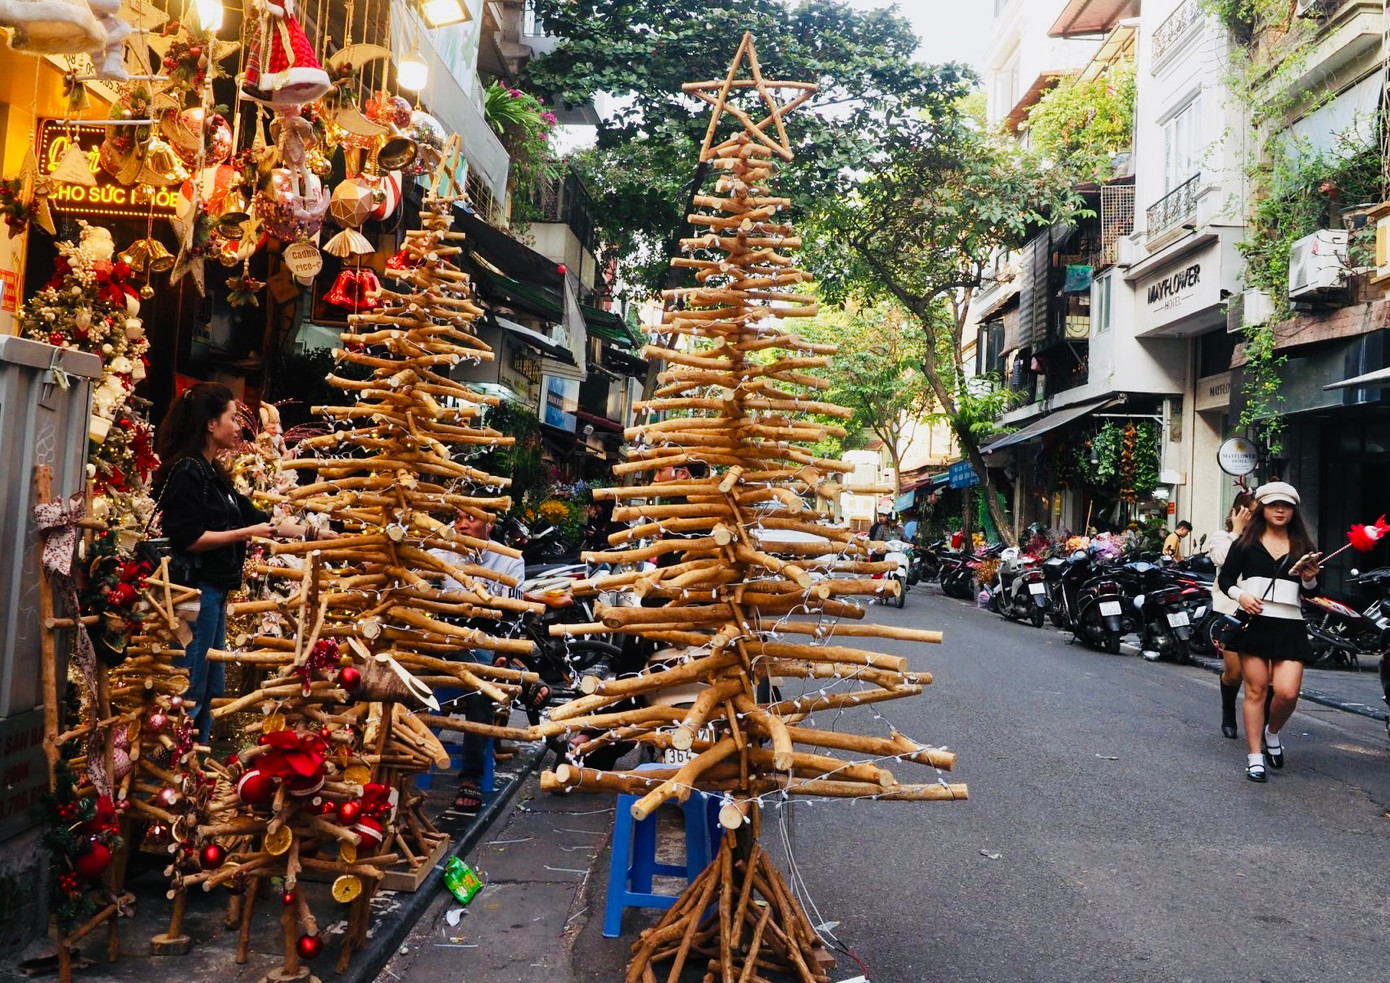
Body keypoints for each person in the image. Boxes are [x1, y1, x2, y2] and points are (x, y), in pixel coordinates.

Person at [153, 383, 318, 744]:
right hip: (193, 594)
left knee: (209, 684)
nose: (238, 426)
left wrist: (313, 535)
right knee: (192, 684)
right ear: (211, 424)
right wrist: (243, 533)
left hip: (214, 592)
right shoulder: (188, 472)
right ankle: (181, 765)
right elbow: (189, 538)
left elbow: (262, 519)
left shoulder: (215, 475)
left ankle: (196, 767)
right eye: (232, 418)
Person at [1216, 481, 1322, 782]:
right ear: (1262, 508)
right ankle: (1255, 757)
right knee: (1256, 690)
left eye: (1286, 506)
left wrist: (1311, 580)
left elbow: (1313, 594)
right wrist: (1241, 596)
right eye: (1274, 504)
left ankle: (1272, 732)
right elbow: (1226, 579)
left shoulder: (1303, 547)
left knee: (1287, 693)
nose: (1280, 510)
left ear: (1294, 511)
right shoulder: (1246, 544)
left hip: (1290, 625)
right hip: (1255, 623)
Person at [431, 507, 528, 814]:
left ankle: (470, 777)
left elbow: (514, 616)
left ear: (490, 522)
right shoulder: (439, 552)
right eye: (458, 518)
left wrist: (503, 655)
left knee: (481, 682)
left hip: (486, 643)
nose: (462, 525)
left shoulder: (510, 558)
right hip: (439, 640)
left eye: (470, 518)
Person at [1210, 492, 1256, 739]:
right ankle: (1228, 712)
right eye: (1250, 511)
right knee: (1235, 672)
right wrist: (1236, 532)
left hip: (1262, 611)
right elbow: (1223, 562)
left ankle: (1263, 728)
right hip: (1234, 612)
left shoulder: (1265, 539)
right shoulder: (1222, 537)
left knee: (1262, 677)